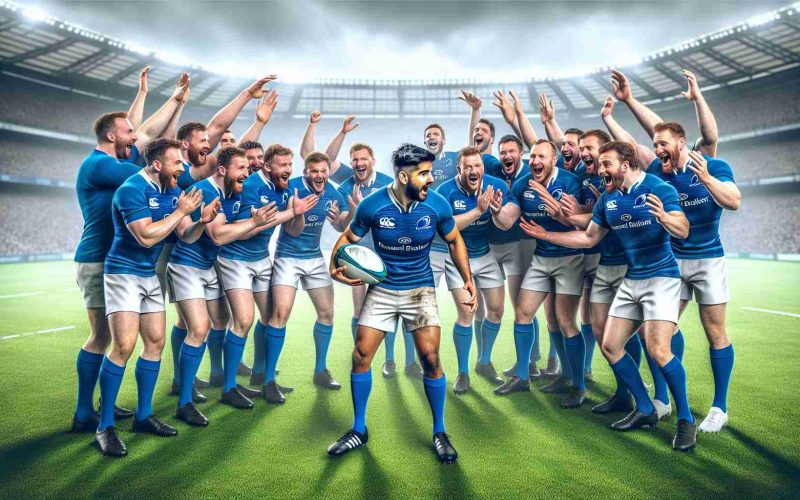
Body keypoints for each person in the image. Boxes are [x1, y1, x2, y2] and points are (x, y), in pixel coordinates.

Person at [326, 143, 475, 464]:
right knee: (361, 355)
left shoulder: (437, 205)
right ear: (404, 175)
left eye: (431, 172)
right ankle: (358, 429)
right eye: (424, 174)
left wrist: (467, 277)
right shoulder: (372, 205)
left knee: (430, 358)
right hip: (381, 289)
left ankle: (439, 431)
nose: (431, 179)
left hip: (419, 290)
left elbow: (454, 240)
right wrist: (334, 268)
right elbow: (346, 240)